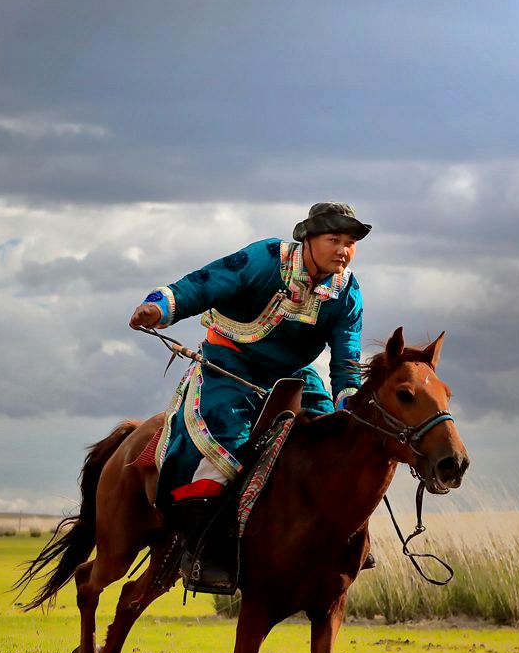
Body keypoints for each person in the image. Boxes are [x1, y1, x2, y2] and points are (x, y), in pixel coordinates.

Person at [128, 202, 369, 588]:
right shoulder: (266, 259)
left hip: (294, 375)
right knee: (223, 443)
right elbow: (205, 283)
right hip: (231, 361)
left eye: (351, 242)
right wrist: (160, 307)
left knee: (332, 438)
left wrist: (347, 403)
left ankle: (339, 541)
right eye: (334, 239)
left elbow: (346, 360)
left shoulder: (347, 292)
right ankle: (203, 549)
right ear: (308, 239)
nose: (344, 249)